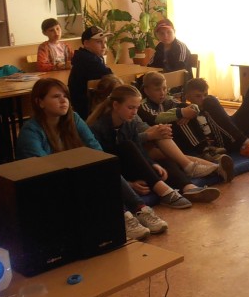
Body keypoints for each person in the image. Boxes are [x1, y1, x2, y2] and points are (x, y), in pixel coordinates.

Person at [17, 78, 168, 239]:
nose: (63, 100)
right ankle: (121, 216)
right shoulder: (30, 131)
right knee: (92, 174)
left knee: (102, 166)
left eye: (65, 96)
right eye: (56, 97)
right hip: (48, 186)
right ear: (40, 102)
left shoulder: (73, 118)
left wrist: (103, 174)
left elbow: (95, 149)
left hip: (71, 176)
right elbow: (42, 170)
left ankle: (140, 209)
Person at [86, 84, 220, 208]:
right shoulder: (97, 128)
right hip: (116, 174)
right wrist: (128, 184)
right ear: (115, 105)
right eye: (130, 108)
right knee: (128, 145)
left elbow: (140, 150)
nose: (134, 112)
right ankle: (165, 193)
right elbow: (103, 166)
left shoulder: (129, 123)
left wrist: (153, 164)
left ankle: (188, 188)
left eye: (136, 108)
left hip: (130, 167)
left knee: (162, 163)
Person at [136, 72, 237, 182]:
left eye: (164, 88)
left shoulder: (168, 100)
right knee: (178, 116)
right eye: (157, 90)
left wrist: (188, 111)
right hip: (161, 142)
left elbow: (190, 106)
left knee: (184, 110)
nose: (162, 93)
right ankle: (203, 151)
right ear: (146, 91)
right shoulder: (143, 105)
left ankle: (207, 149)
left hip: (176, 139)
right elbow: (156, 119)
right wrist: (181, 113)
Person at [177, 78, 249, 161]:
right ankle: (247, 144)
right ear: (188, 97)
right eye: (198, 96)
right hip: (228, 143)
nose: (203, 98)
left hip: (236, 131)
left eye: (205, 94)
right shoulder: (184, 110)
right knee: (210, 100)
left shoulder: (208, 103)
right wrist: (185, 113)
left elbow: (226, 121)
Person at [68, 27, 114, 117]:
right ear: (86, 43)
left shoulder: (87, 56)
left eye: (105, 42)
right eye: (99, 42)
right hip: (87, 110)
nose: (104, 46)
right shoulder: (88, 60)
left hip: (91, 106)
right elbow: (111, 77)